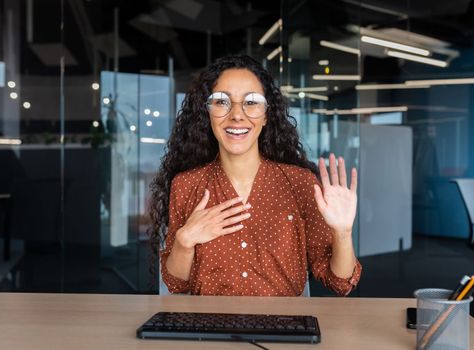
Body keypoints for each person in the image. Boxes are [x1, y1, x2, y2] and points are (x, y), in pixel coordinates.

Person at [149, 55, 361, 296]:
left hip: (283, 329)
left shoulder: (301, 183)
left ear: (267, 114)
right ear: (206, 113)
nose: (237, 115)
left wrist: (343, 234)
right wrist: (184, 241)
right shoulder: (186, 185)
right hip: (209, 329)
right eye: (221, 102)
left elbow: (340, 283)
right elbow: (177, 285)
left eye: (251, 102)